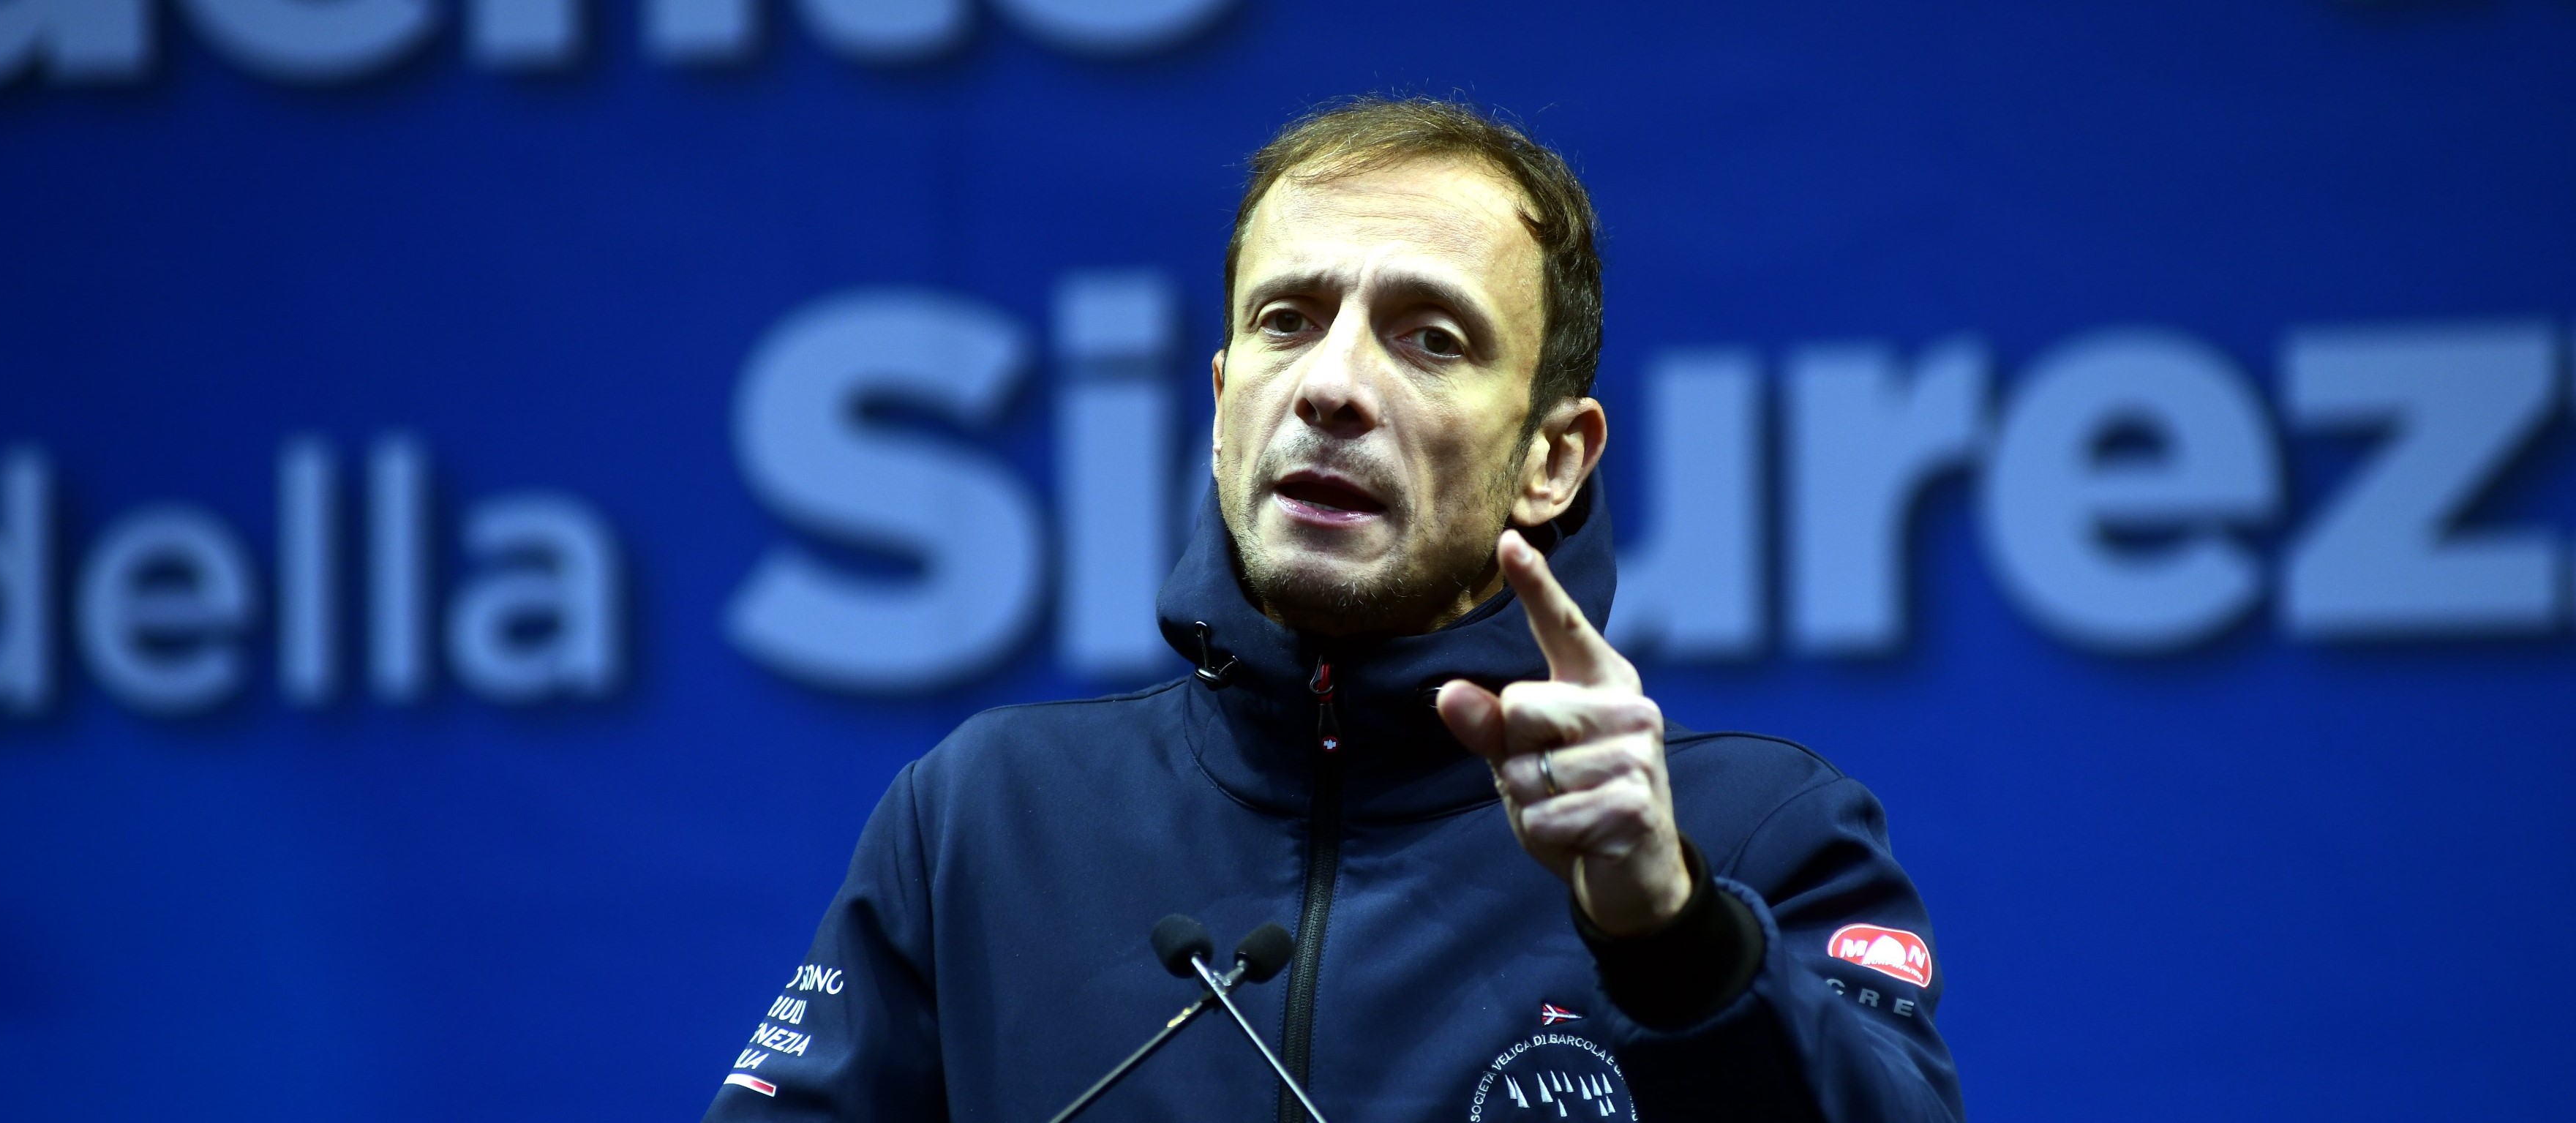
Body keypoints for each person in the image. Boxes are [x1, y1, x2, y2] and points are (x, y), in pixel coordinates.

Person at [700, 97, 1961, 1123]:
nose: (1332, 385)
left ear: (1552, 460)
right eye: (1286, 321)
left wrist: (1670, 940)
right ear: (1219, 405)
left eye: (1430, 339)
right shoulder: (983, 817)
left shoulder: (1745, 837)